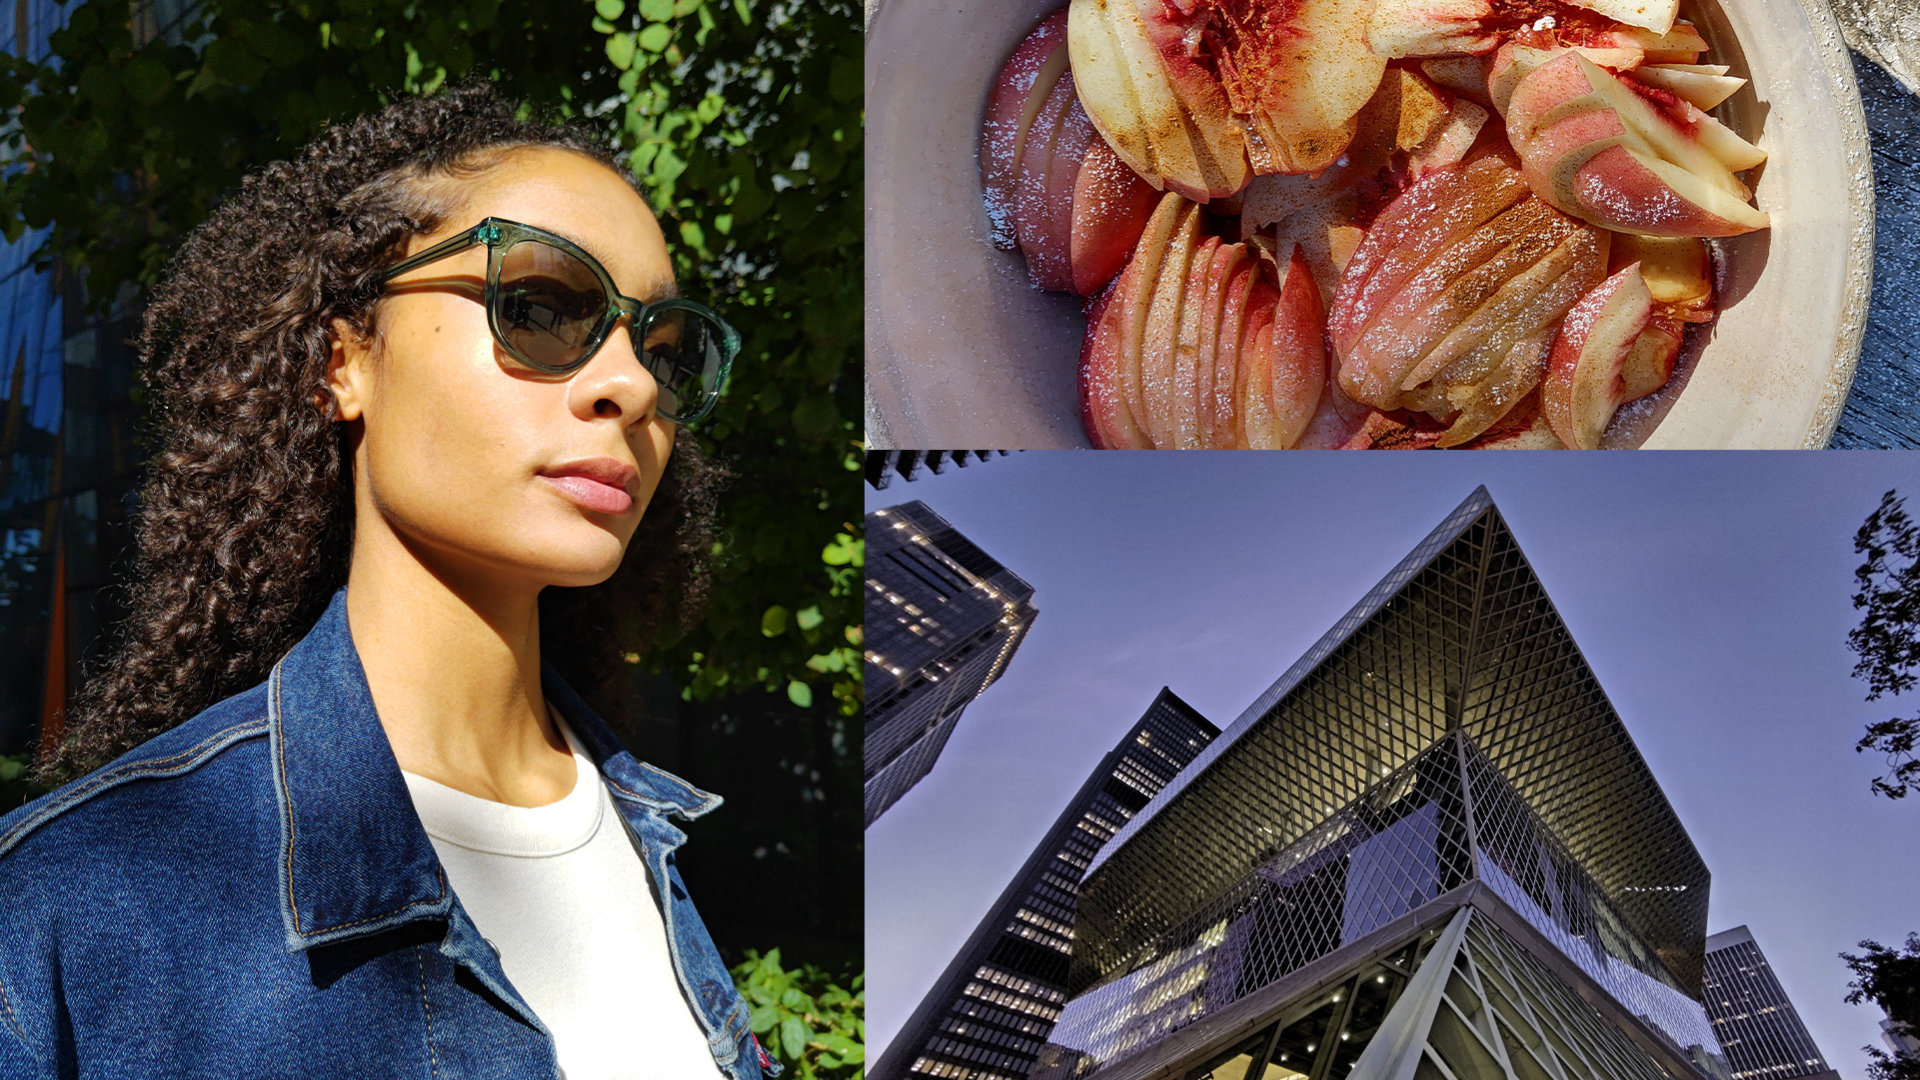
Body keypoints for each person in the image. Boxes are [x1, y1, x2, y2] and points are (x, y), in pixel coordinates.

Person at [0, 83, 778, 1080]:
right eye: (538, 305)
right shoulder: (69, 908)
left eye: (664, 349)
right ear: (342, 361)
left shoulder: (651, 838)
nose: (628, 385)